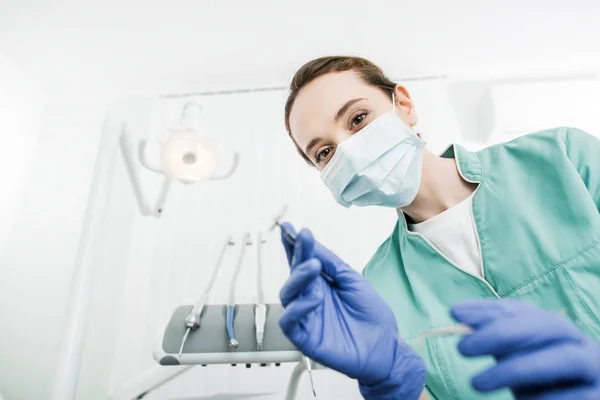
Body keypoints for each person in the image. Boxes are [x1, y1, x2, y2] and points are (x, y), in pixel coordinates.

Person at [277, 56, 600, 399]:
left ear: (403, 105)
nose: (350, 152)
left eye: (358, 119)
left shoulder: (564, 158)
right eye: (325, 152)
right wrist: (392, 383)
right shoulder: (378, 288)